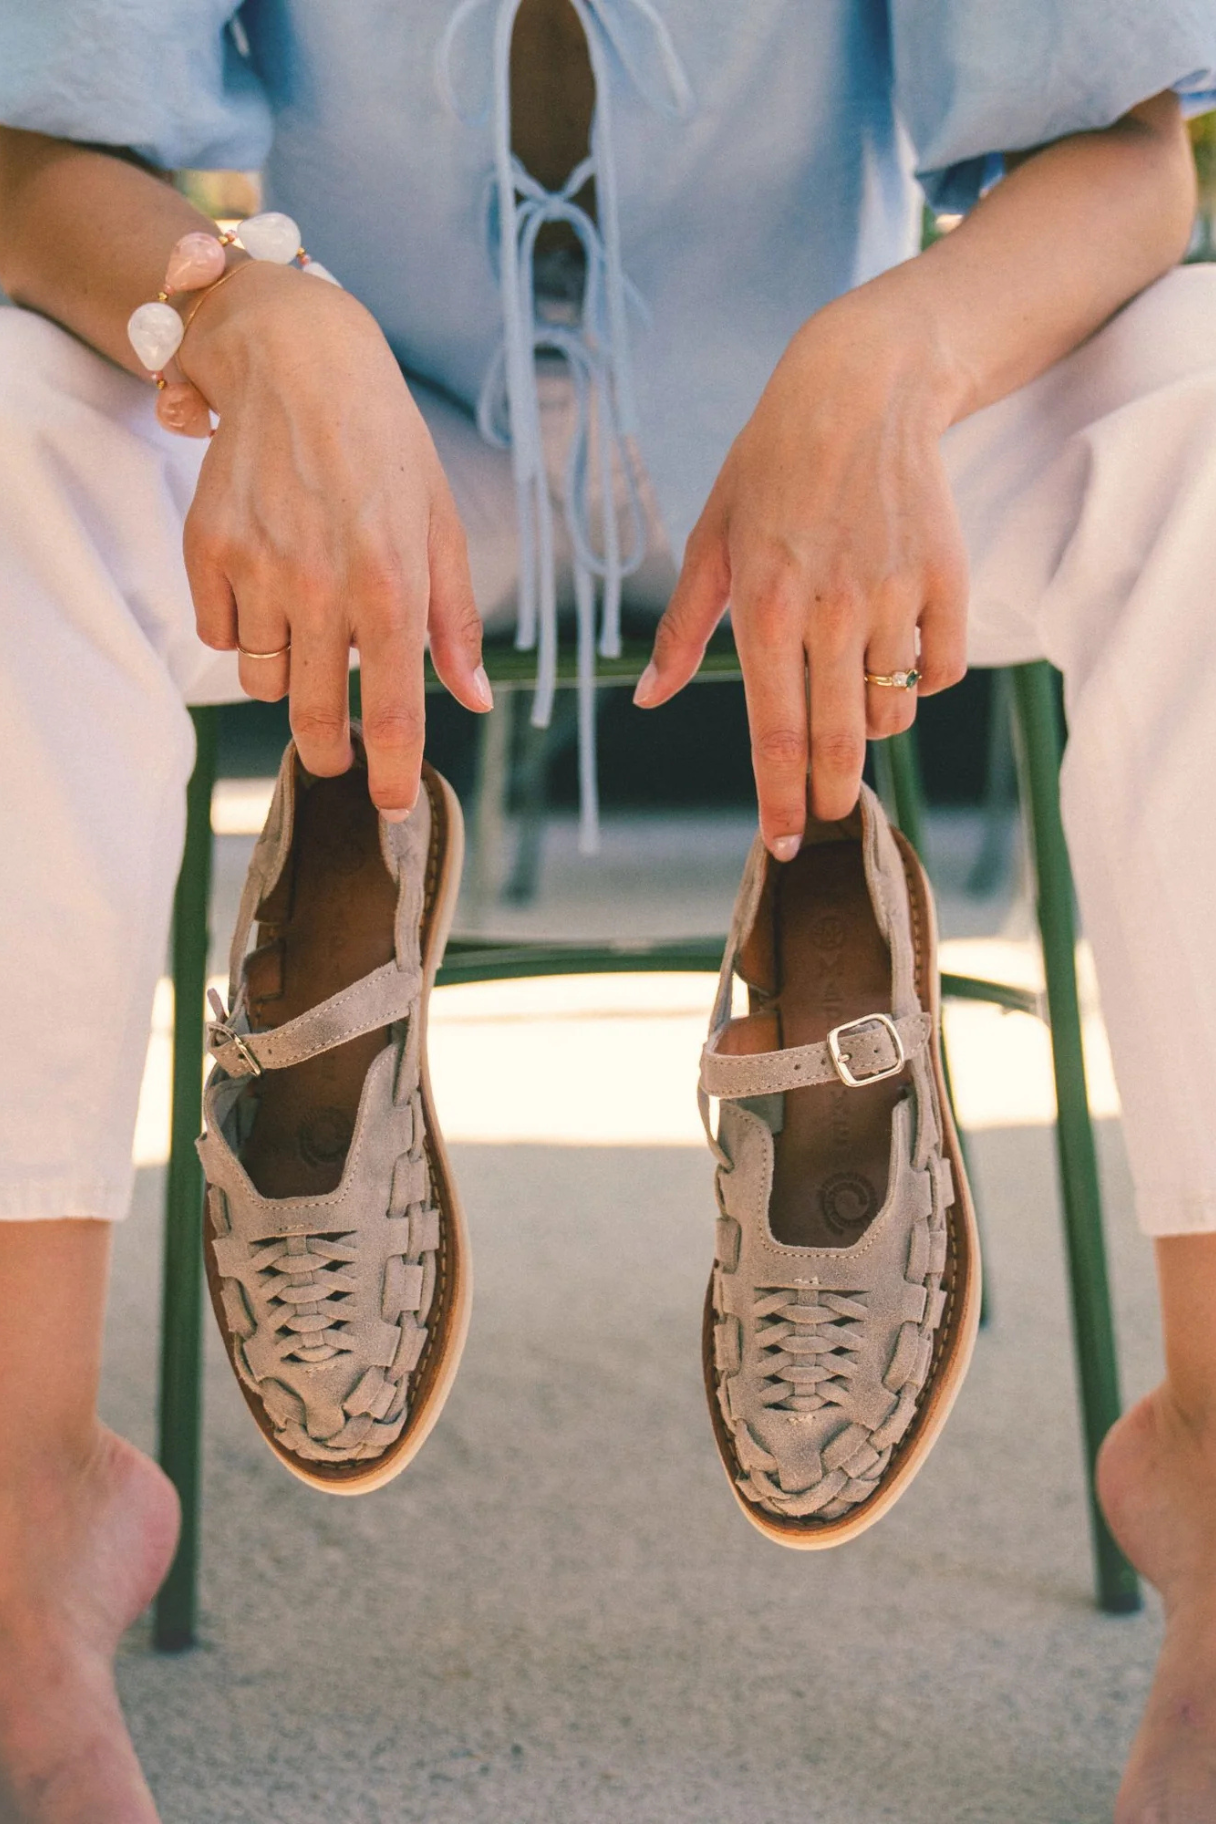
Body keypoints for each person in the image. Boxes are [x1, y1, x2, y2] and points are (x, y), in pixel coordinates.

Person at [0, 2, 1215, 1818]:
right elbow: (23, 149)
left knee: (1205, 409)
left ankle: (1211, 1468)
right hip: (360, 428)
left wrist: (900, 354)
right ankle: (22, 1522)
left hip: (845, 422)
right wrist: (251, 319)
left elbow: (1129, 166)